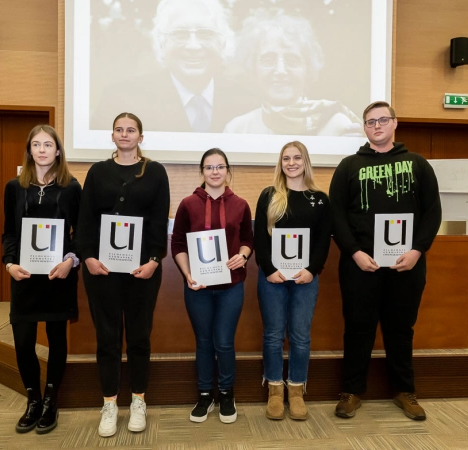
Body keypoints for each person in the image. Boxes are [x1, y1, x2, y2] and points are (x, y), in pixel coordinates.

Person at [329, 101, 442, 421]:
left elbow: (433, 212)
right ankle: (351, 392)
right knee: (357, 329)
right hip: (360, 265)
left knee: (400, 329)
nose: (376, 126)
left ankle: (405, 391)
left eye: (382, 120)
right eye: (369, 122)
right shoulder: (349, 166)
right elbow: (336, 215)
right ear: (364, 128)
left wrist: (417, 250)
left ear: (395, 123)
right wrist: (354, 252)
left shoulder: (418, 164)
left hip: (406, 265)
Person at [77, 112, 170, 437]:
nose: (125, 134)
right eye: (119, 130)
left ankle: (139, 401)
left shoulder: (155, 172)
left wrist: (155, 260)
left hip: (141, 270)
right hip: (101, 270)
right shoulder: (98, 171)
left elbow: (160, 220)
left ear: (140, 137)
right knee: (107, 337)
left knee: (140, 336)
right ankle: (109, 404)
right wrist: (87, 257)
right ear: (112, 136)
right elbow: (85, 218)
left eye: (131, 130)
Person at [2, 125, 81, 435]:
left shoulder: (72, 187)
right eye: (36, 144)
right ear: (29, 150)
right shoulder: (14, 187)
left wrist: (70, 261)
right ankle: (32, 400)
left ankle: (51, 399)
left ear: (58, 151)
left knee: (57, 339)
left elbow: (81, 232)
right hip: (24, 276)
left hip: (58, 275)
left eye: (48, 144)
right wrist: (8, 263)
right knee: (23, 342)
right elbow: (9, 232)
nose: (42, 149)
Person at [171, 148, 254, 424]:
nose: (215, 172)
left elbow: (247, 240)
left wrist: (241, 256)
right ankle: (205, 394)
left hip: (231, 285)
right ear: (202, 172)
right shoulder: (187, 204)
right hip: (199, 286)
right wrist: (187, 274)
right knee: (204, 341)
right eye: (209, 167)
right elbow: (179, 244)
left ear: (228, 171)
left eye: (220, 167)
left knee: (224, 341)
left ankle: (227, 393)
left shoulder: (240, 204)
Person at [90, 0, 257, 132]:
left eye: (205, 34)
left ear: (222, 44)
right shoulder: (119, 102)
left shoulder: (248, 105)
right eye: (180, 34)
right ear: (161, 44)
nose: (193, 46)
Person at [254, 141, 331, 421]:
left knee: (300, 336)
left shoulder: (320, 198)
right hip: (272, 278)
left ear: (305, 161)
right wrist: (268, 268)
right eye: (286, 158)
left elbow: (323, 240)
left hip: (305, 279)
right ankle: (275, 389)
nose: (291, 163)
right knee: (273, 335)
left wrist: (312, 269)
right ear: (281, 162)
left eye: (297, 158)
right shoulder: (269, 195)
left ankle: (296, 390)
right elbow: (260, 237)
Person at [224, 10, 363, 136]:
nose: (280, 71)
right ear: (253, 67)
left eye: (292, 60)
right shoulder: (237, 130)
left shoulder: (335, 124)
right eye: (268, 60)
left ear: (308, 68)